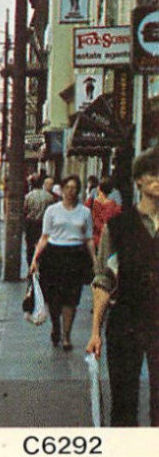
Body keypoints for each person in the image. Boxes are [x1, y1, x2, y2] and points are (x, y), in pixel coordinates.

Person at [87, 148, 159, 426]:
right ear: (138, 180)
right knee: (124, 404)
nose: (158, 180)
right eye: (152, 174)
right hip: (125, 322)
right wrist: (95, 331)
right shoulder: (118, 227)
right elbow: (104, 279)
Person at [30, 174, 96, 351]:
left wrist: (95, 260)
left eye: (74, 188)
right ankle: (56, 327)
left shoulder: (85, 212)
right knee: (54, 298)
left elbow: (88, 238)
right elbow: (44, 237)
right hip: (54, 256)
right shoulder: (52, 211)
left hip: (75, 256)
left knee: (71, 298)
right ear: (63, 189)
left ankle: (66, 336)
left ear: (78, 190)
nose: (70, 191)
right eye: (67, 187)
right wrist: (35, 258)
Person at [22, 176, 56, 277]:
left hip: (31, 224)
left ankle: (30, 267)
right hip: (44, 224)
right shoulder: (49, 197)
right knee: (43, 246)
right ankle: (40, 267)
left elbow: (25, 210)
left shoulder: (28, 196)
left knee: (30, 247)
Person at [90, 177, 122, 243]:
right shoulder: (114, 206)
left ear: (99, 188)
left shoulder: (95, 204)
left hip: (96, 238)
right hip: (109, 238)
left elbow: (94, 220)